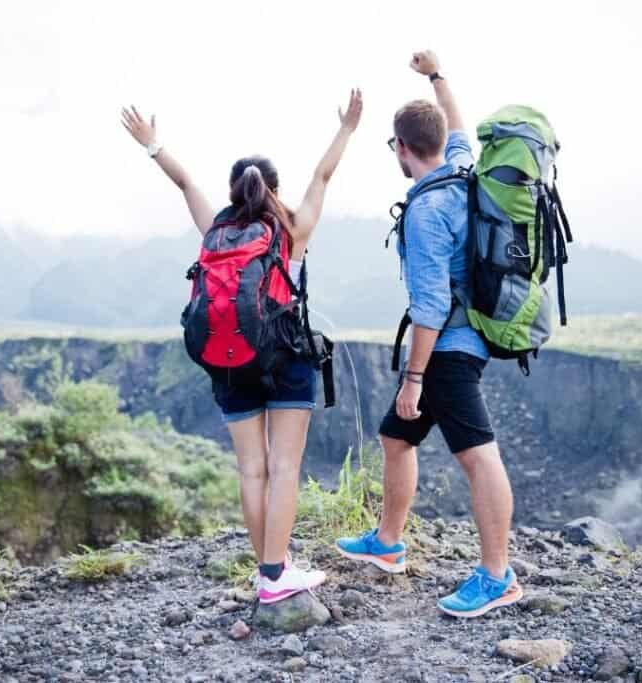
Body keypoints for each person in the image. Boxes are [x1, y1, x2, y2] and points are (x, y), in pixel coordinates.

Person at [121, 89, 363, 604]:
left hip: (228, 362)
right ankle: (276, 576)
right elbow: (322, 178)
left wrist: (152, 144)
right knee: (283, 468)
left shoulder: (217, 229)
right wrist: (346, 129)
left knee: (252, 469)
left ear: (233, 192)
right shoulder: (291, 228)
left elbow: (185, 181)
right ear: (273, 188)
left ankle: (269, 569)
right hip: (286, 357)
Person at [335, 52, 522, 618]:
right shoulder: (464, 166)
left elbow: (431, 305)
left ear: (400, 148)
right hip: (466, 337)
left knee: (478, 458)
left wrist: (414, 378)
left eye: (394, 146)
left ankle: (498, 576)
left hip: (447, 350)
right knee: (398, 439)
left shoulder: (424, 212)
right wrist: (437, 76)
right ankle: (388, 543)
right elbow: (457, 120)